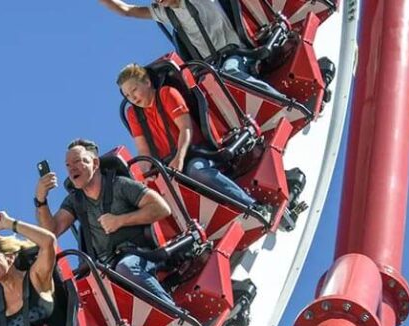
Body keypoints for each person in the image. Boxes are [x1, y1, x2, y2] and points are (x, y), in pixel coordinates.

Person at [35, 139, 177, 307]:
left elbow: (161, 208)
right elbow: (51, 231)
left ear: (95, 163)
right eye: (68, 165)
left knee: (126, 267)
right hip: (104, 267)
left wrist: (120, 221)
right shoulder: (75, 201)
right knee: (73, 299)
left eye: (77, 161)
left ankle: (173, 312)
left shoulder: (120, 185)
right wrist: (41, 199)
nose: (71, 168)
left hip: (140, 255)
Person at [117, 63, 263, 211]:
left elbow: (185, 128)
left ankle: (253, 206)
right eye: (127, 95)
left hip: (194, 153)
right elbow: (143, 150)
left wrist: (179, 158)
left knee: (197, 171)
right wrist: (146, 176)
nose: (132, 98)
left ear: (147, 82)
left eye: (134, 90)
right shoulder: (133, 114)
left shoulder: (167, 93)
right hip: (168, 165)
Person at [98, 0, 281, 95]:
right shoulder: (166, 13)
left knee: (229, 72)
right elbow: (126, 10)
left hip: (238, 52)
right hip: (212, 66)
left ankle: (282, 103)